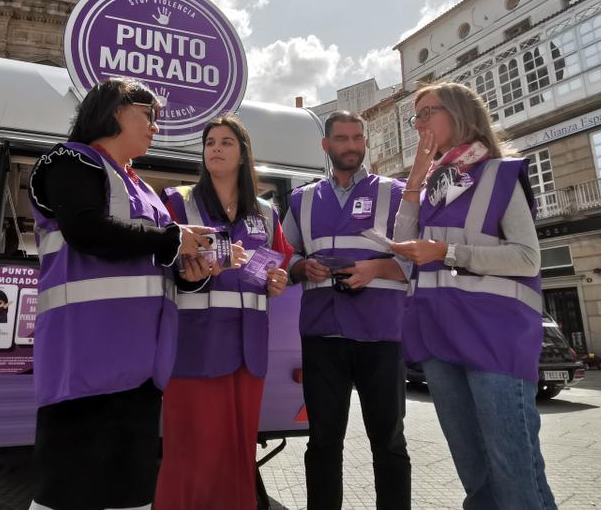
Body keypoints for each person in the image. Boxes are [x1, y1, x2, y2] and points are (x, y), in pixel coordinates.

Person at [26, 78, 220, 510]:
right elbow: (85, 230)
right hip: (84, 361)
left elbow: (153, 262)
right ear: (116, 110)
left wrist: (191, 272)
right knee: (67, 495)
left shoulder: (142, 188)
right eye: (148, 115)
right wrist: (174, 240)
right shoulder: (70, 161)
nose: (155, 128)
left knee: (130, 497)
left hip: (141, 367)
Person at [390, 82, 556, 509]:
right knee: (474, 472)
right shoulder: (436, 185)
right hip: (439, 336)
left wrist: (447, 253)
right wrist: (414, 178)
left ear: (460, 113)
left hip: (494, 337)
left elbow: (527, 259)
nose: (419, 124)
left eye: (428, 112)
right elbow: (404, 245)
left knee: (513, 468)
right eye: (416, 116)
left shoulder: (499, 174)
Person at [155, 115, 293, 510]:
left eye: (226, 141)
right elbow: (159, 261)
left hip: (248, 348)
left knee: (237, 452)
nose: (215, 147)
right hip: (194, 345)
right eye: (210, 141)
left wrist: (278, 283)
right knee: (190, 453)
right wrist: (205, 261)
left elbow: (276, 266)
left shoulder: (266, 212)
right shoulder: (178, 200)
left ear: (243, 153)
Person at [283, 111, 412, 510]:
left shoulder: (395, 193)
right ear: (326, 145)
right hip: (323, 336)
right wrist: (302, 267)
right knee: (323, 442)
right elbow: (281, 262)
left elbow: (418, 259)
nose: (352, 146)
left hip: (382, 335)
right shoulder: (302, 199)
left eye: (358, 138)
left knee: (389, 441)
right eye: (342, 138)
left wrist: (375, 268)